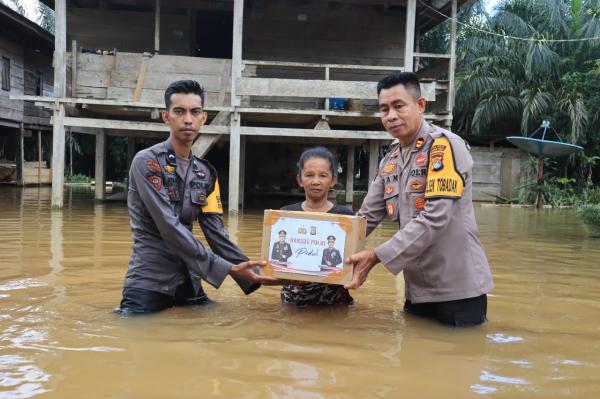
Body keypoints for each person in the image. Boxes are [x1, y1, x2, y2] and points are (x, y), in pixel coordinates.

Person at [345, 72, 494, 326]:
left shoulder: (445, 147)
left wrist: (377, 255)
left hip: (458, 289)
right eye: (384, 109)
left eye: (398, 106)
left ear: (420, 105)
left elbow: (435, 218)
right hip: (416, 290)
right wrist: (325, 254)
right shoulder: (390, 160)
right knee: (414, 358)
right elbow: (366, 217)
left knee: (459, 361)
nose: (391, 115)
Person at [118, 80, 278, 314]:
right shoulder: (147, 163)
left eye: (195, 112)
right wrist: (229, 269)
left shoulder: (206, 174)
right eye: (179, 111)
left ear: (204, 117)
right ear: (166, 116)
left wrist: (258, 274)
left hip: (190, 282)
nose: (188, 119)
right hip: (149, 280)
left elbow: (216, 234)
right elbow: (169, 227)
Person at [280, 147, 354, 306]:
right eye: (309, 175)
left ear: (333, 180)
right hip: (293, 298)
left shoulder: (346, 217)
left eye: (323, 175)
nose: (316, 181)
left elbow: (352, 261)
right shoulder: (285, 215)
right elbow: (277, 262)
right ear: (300, 180)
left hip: (334, 299)